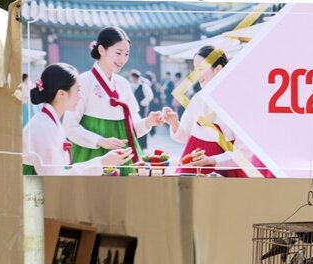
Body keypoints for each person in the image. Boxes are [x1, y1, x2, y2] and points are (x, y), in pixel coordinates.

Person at [64, 26, 163, 173]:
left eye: (126, 54)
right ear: (101, 50)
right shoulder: (83, 82)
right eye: (118, 53)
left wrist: (148, 122)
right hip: (90, 153)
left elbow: (131, 129)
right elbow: (69, 126)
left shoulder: (123, 84)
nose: (123, 59)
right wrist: (101, 141)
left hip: (122, 155)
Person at [162, 45, 271, 177]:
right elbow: (186, 136)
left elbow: (244, 151)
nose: (196, 75)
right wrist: (174, 124)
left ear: (218, 69)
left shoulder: (239, 103)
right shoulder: (198, 98)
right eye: (195, 69)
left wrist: (212, 160)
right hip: (193, 169)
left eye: (201, 69)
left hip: (224, 174)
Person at [22, 63, 132, 176]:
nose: (80, 96)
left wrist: (103, 162)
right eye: (78, 90)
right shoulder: (43, 127)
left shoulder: (48, 121)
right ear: (61, 94)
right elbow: (55, 178)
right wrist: (102, 162)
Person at [128, 70, 154, 148]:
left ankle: (143, 145)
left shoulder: (143, 86)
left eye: (134, 78)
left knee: (143, 124)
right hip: (132, 109)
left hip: (142, 108)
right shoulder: (130, 86)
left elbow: (149, 96)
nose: (133, 79)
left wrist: (142, 103)